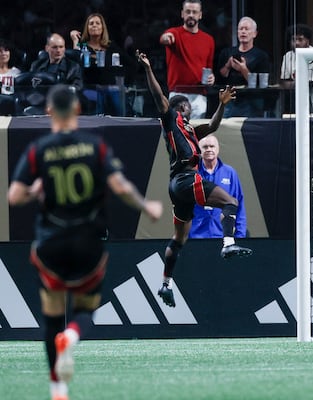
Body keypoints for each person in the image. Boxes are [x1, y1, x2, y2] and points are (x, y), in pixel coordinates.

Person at [6, 84, 163, 400]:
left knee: (51, 314)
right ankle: (72, 337)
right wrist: (147, 206)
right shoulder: (95, 147)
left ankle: (57, 389)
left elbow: (14, 196)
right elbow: (119, 187)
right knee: (86, 308)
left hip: (51, 242)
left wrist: (37, 190)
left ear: (49, 111)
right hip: (88, 242)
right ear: (77, 109)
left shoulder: (40, 150)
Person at [137, 50, 252, 308]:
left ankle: (165, 283)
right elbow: (159, 97)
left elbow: (212, 126)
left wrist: (222, 103)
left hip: (178, 187)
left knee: (179, 240)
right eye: (186, 107)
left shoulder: (189, 129)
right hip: (186, 179)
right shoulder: (171, 120)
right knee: (230, 202)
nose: (189, 109)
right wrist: (147, 69)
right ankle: (228, 243)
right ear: (181, 108)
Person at [161, 0, 215, 119]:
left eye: (194, 12)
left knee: (196, 133)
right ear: (182, 14)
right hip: (178, 93)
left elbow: (209, 68)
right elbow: (166, 37)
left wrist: (211, 78)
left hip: (199, 95)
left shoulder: (208, 40)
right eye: (188, 12)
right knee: (177, 130)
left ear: (200, 15)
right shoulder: (175, 33)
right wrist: (166, 38)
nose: (191, 15)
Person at [69, 13, 132, 116]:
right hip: (90, 90)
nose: (94, 25)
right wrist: (75, 40)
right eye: (91, 23)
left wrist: (128, 83)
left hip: (112, 89)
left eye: (98, 23)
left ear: (103, 27)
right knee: (95, 108)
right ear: (87, 28)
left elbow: (128, 63)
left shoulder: (111, 46)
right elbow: (76, 59)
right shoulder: (83, 46)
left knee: (119, 112)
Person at [189, 134, 247, 238]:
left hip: (222, 235)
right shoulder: (192, 173)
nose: (209, 149)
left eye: (212, 146)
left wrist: (240, 235)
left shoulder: (230, 173)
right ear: (199, 150)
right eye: (205, 147)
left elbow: (239, 204)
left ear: (218, 149)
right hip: (196, 236)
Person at [217, 16, 271, 117]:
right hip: (230, 100)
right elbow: (220, 77)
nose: (243, 32)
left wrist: (243, 69)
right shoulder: (227, 52)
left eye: (247, 29)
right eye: (241, 29)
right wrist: (228, 66)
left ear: (254, 34)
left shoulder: (261, 56)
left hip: (251, 102)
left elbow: (261, 84)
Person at [0, 38, 21, 115]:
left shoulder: (17, 72)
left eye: (6, 50)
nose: (4, 53)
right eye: (0, 51)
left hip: (13, 108)